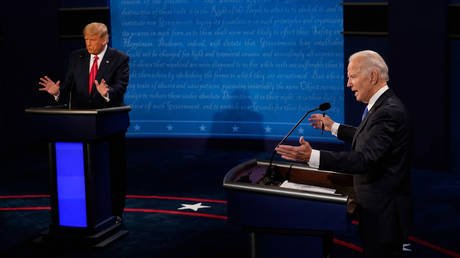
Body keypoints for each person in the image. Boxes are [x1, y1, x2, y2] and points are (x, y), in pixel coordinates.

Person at [275, 50, 412, 258]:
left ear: (372, 76)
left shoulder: (388, 112)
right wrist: (333, 127)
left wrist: (311, 157)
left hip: (384, 215)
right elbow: (370, 138)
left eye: (352, 77)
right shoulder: (383, 106)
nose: (348, 84)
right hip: (377, 209)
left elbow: (366, 159)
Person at [38, 22, 130, 223]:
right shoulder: (76, 57)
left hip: (110, 124)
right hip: (79, 125)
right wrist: (57, 92)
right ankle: (84, 213)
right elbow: (68, 85)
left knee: (113, 169)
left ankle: (116, 213)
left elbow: (120, 88)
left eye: (93, 39)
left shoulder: (120, 59)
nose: (88, 44)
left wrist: (108, 93)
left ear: (104, 39)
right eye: (86, 39)